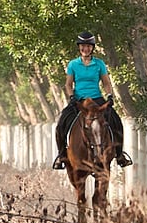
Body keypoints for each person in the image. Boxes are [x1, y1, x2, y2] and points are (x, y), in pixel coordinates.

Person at [52, 32, 131, 169]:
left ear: (92, 48)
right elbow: (68, 84)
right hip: (78, 100)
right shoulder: (73, 64)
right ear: (79, 47)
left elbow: (106, 83)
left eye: (88, 46)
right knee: (61, 123)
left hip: (96, 99)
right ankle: (62, 155)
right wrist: (71, 97)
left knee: (116, 120)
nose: (85, 49)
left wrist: (110, 96)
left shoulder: (99, 64)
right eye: (83, 46)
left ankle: (119, 155)